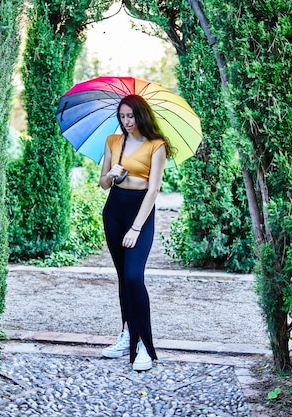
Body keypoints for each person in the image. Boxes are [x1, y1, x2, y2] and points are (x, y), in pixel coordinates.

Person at [98, 94, 172, 371]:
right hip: (114, 210)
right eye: (122, 117)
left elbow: (153, 190)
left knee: (133, 276)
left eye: (130, 116)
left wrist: (136, 227)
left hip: (139, 213)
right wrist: (112, 175)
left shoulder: (157, 145)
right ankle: (127, 334)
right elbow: (103, 184)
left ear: (141, 115)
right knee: (122, 278)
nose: (126, 121)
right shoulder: (113, 142)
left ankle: (145, 346)